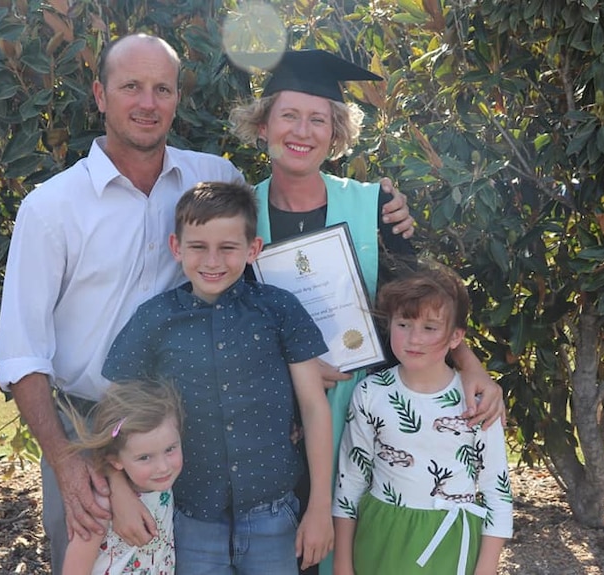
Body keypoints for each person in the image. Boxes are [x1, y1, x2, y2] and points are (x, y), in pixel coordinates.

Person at [0, 33, 412, 574]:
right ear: (100, 94)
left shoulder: (211, 178)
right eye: (131, 87)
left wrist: (388, 212)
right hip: (90, 428)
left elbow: (268, 268)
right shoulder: (51, 209)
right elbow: (23, 355)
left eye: (162, 89)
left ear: (175, 98)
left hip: (195, 432)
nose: (147, 102)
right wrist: (73, 464)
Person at [228, 49, 506, 575]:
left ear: (336, 135)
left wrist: (471, 365)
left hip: (365, 416)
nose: (302, 131)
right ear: (263, 124)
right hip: (271, 419)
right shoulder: (238, 212)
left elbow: (420, 305)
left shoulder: (374, 206)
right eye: (289, 115)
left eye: (319, 120)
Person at [102, 181, 334, 573]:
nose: (213, 260)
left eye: (228, 248)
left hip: (273, 516)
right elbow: (114, 417)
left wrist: (320, 509)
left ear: (253, 249)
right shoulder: (155, 319)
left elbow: (313, 407)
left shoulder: (278, 310)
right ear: (177, 248)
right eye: (198, 247)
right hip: (191, 518)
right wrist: (118, 487)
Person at [333, 264, 513, 575]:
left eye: (430, 328)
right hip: (380, 535)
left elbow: (497, 493)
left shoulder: (480, 401)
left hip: (452, 540)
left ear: (456, 336)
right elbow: (350, 482)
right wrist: (342, 565)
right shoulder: (369, 393)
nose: (414, 338)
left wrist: (486, 569)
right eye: (403, 324)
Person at [62, 379, 184, 575]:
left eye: (170, 449)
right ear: (115, 460)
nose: (163, 467)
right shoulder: (100, 506)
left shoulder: (163, 488)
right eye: (145, 457)